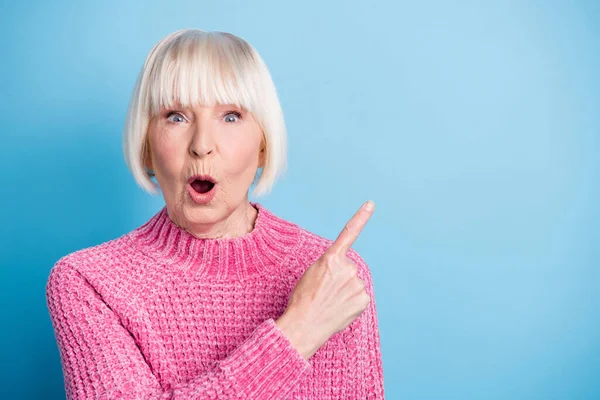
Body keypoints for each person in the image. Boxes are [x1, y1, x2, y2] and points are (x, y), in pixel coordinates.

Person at [45, 28, 385, 400]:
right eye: (176, 116)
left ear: (262, 146)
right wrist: (299, 332)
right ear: (146, 147)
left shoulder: (336, 280)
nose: (202, 145)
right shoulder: (89, 283)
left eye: (231, 116)